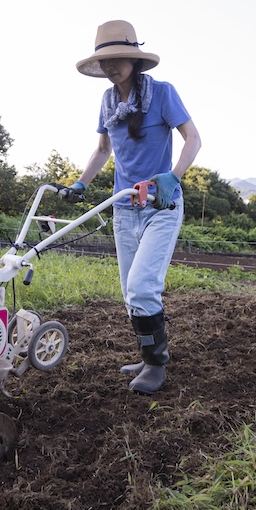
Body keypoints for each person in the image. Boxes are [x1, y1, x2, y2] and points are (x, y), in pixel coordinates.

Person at [66, 20, 201, 395]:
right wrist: (80, 184)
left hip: (160, 204)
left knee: (143, 287)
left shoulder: (162, 93)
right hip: (124, 207)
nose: (111, 67)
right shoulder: (108, 101)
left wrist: (173, 177)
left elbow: (193, 138)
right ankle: (147, 355)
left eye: (118, 59)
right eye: (105, 61)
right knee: (131, 293)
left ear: (133, 59)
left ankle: (157, 366)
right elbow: (103, 150)